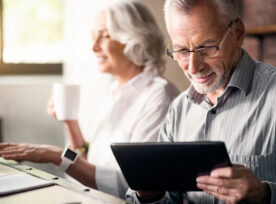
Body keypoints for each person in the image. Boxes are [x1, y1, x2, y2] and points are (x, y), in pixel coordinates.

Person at [0, 0, 179, 199]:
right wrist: (69, 121)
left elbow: (133, 186)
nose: (94, 47)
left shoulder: (159, 97)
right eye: (94, 37)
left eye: (104, 36)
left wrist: (55, 155)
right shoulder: (114, 89)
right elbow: (88, 163)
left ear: (134, 38)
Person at [126, 0, 276, 203]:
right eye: (181, 51)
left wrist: (266, 194)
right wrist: (148, 195)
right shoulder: (179, 110)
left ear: (238, 33)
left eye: (205, 48)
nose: (193, 67)